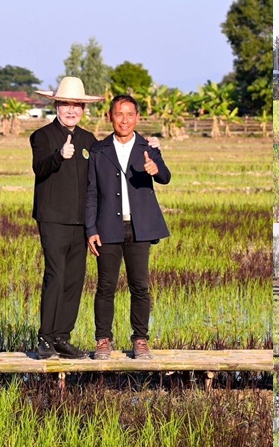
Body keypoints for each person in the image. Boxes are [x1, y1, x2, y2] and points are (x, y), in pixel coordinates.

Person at [86, 95, 171, 360]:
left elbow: (166, 177)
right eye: (119, 114)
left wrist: (155, 168)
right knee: (105, 286)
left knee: (140, 286)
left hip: (139, 228)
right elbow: (91, 193)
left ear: (137, 117)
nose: (124, 120)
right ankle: (103, 340)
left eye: (130, 114)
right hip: (107, 228)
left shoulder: (148, 147)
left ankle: (140, 340)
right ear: (110, 117)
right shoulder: (99, 151)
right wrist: (90, 230)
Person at [31, 76, 103, 360]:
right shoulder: (42, 136)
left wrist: (148, 147)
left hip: (80, 221)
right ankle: (45, 338)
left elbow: (102, 172)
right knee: (56, 275)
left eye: (76, 105)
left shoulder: (89, 140)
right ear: (56, 106)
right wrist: (59, 155)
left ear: (83, 109)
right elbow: (40, 168)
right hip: (53, 219)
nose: (71, 110)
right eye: (65, 104)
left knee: (74, 279)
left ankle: (62, 337)